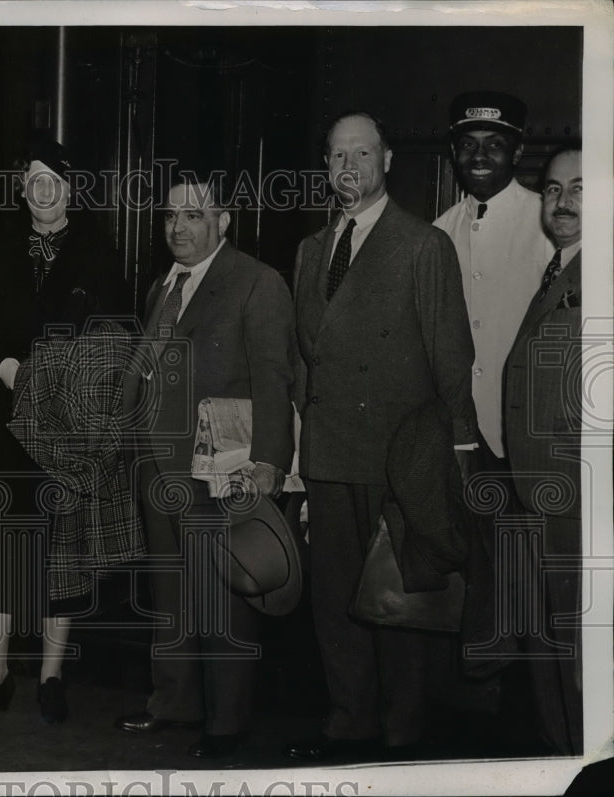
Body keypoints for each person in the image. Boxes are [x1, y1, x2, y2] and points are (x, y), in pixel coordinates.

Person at [286, 112, 478, 762]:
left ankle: (401, 734)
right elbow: (304, 359)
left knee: (397, 600)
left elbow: (453, 360)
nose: (349, 169)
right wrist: (296, 456)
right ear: (325, 167)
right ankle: (350, 720)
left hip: (398, 455)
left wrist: (459, 457)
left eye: (362, 154)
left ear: (387, 160)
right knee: (335, 600)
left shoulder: (423, 246)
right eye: (338, 157)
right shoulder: (312, 249)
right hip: (329, 453)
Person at [114, 168, 296, 759]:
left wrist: (269, 462)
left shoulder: (256, 282)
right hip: (157, 465)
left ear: (223, 221)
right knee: (170, 593)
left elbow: (274, 379)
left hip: (219, 466)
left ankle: (226, 723)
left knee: (224, 596)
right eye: (169, 216)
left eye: (193, 215)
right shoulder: (162, 286)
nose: (178, 227)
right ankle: (173, 705)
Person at [0, 138, 135, 724]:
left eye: (53, 180)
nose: (43, 190)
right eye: (33, 180)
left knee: (62, 546)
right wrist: (6, 368)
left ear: (71, 188)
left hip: (68, 420)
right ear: (23, 189)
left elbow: (113, 331)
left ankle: (53, 676)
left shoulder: (97, 248)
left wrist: (64, 385)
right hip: (6, 415)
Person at [503, 145, 583, 755]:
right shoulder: (560, 270)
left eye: (581, 187)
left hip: (580, 497)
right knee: (552, 644)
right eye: (553, 189)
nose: (563, 201)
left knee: (578, 652)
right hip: (544, 492)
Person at [433, 91, 550, 464]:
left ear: (516, 153)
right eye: (468, 145)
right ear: (454, 152)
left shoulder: (547, 224)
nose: (479, 157)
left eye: (494, 145)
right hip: (458, 436)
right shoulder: (439, 232)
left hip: (529, 433)